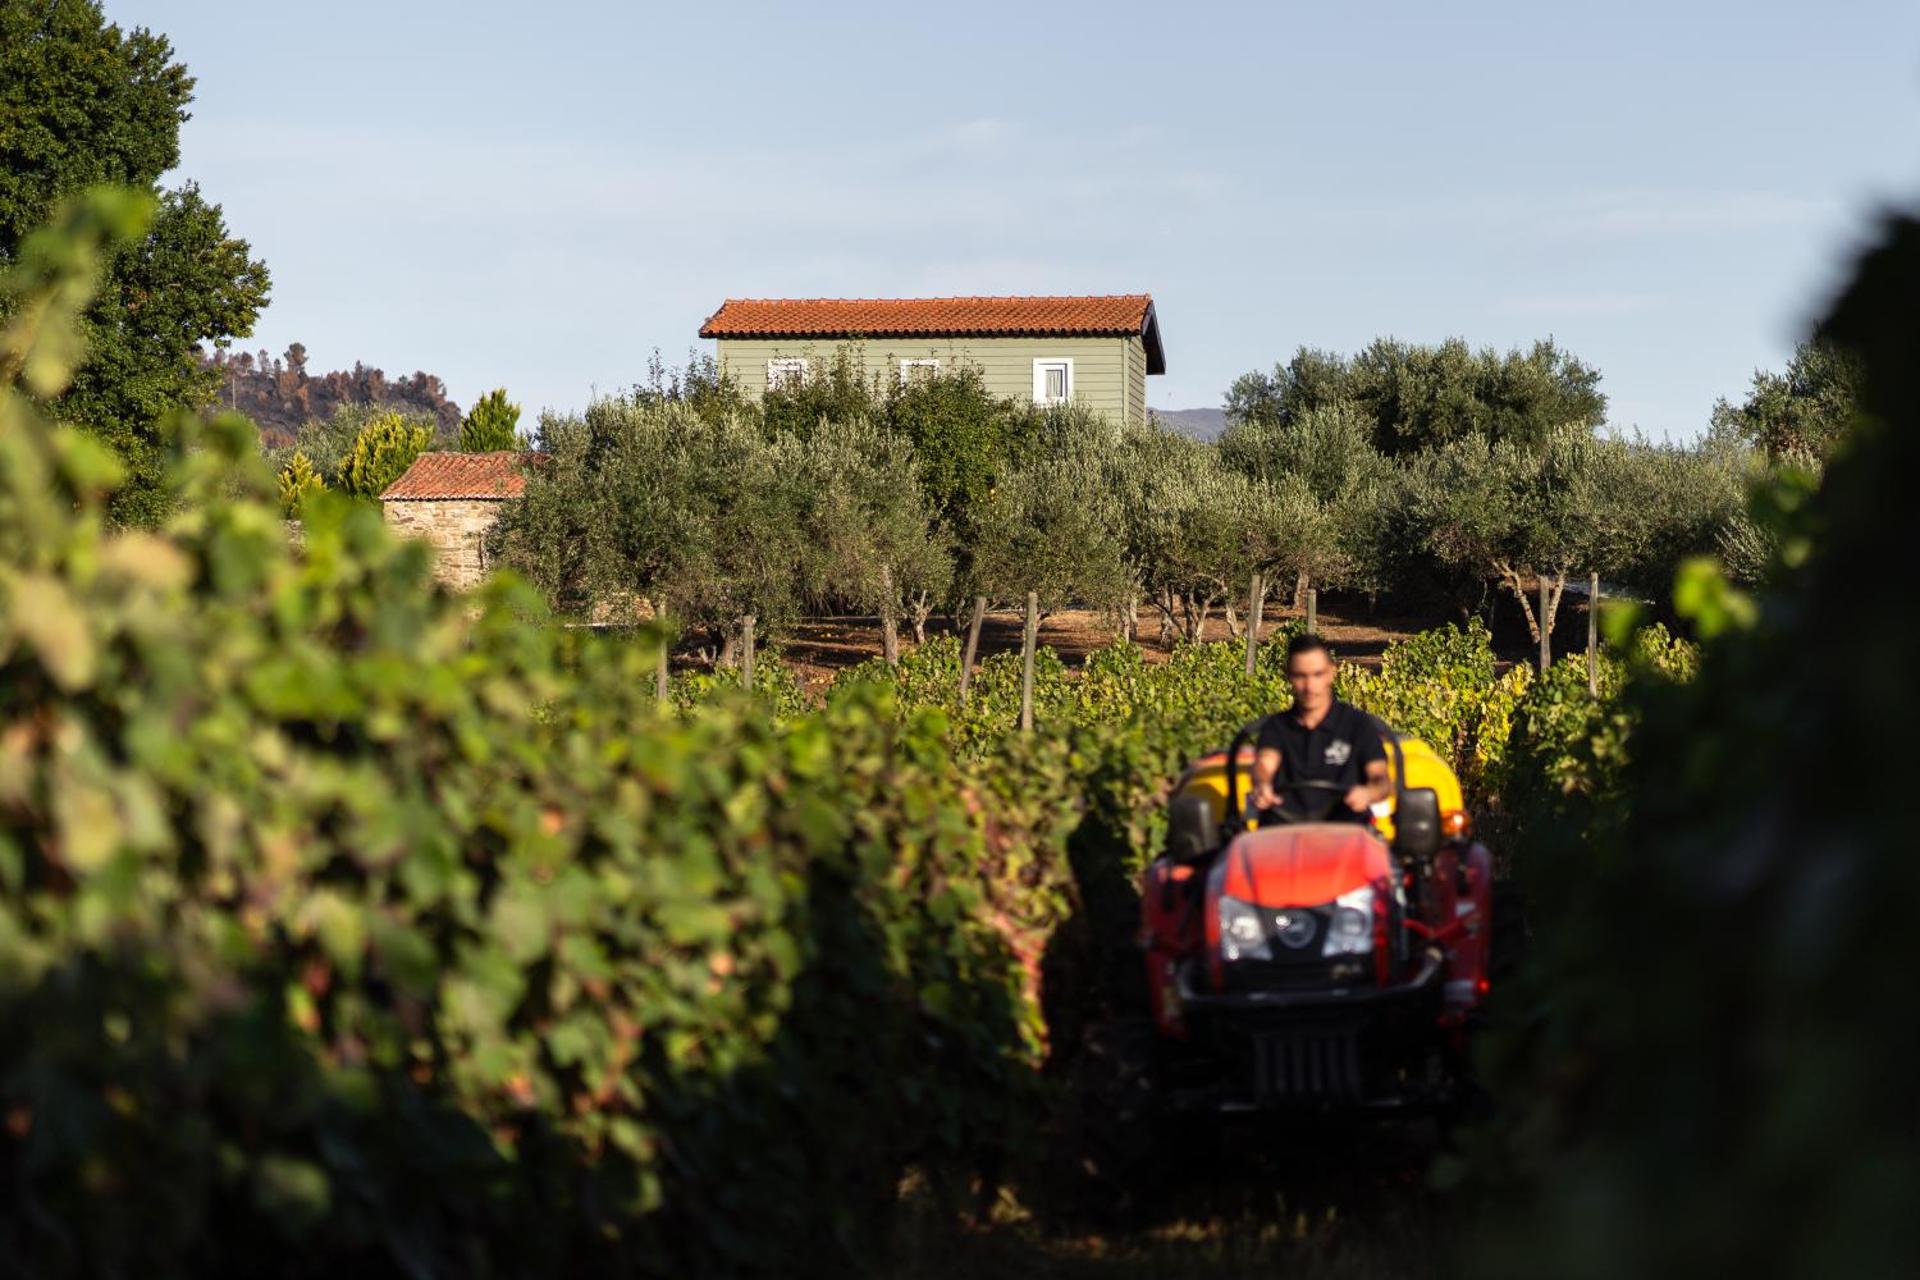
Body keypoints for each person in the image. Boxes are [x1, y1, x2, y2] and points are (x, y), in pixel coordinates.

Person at [1249, 633, 1391, 823]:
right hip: (1285, 836)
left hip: (1346, 837)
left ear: (1332, 672)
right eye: (1301, 676)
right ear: (1288, 675)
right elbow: (1265, 764)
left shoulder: (1358, 725)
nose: (1310, 686)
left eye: (1317, 674)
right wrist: (1262, 784)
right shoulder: (1276, 727)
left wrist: (1368, 792)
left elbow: (1380, 778)